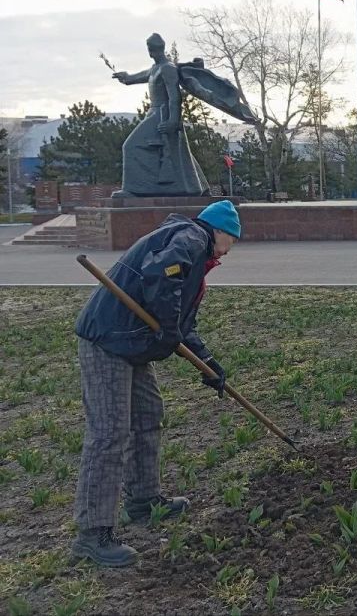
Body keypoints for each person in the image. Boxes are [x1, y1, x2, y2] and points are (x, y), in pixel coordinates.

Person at [72, 200, 241, 567]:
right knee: (110, 432)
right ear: (221, 232)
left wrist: (208, 363)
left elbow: (181, 325)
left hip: (131, 342)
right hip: (108, 340)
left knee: (148, 415)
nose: (230, 251)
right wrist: (166, 327)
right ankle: (92, 533)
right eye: (233, 241)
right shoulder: (191, 238)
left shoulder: (192, 250)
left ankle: (143, 500)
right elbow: (162, 274)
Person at [110, 33, 210, 197]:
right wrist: (125, 77)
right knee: (179, 150)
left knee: (130, 146)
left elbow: (175, 97)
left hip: (164, 114)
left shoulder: (168, 69)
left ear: (152, 50)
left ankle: (132, 190)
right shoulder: (155, 69)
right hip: (154, 113)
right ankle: (198, 187)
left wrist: (173, 121)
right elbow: (136, 77)